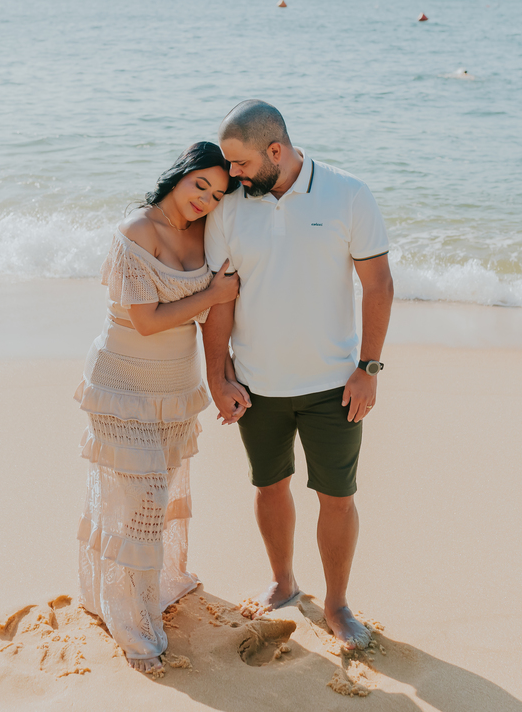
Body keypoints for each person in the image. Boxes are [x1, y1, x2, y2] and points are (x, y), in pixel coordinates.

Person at [202, 100, 395, 651]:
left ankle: (336, 604)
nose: (230, 176)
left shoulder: (348, 194)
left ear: (276, 151)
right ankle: (284, 582)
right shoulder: (230, 209)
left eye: (239, 165)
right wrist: (219, 377)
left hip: (333, 386)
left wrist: (368, 369)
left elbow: (378, 284)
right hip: (257, 387)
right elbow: (220, 300)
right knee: (269, 485)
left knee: (337, 496)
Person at [75, 142, 241, 673]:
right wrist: (214, 294)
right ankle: (133, 626)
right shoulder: (137, 230)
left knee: (155, 495)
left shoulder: (206, 234)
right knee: (143, 503)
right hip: (121, 384)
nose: (206, 200)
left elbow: (220, 309)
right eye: (201, 186)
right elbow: (146, 320)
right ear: (180, 175)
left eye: (217, 195)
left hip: (174, 387)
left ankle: (139, 597)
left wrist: (224, 375)